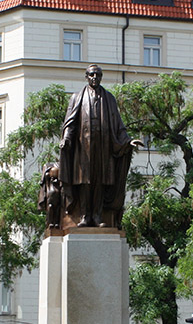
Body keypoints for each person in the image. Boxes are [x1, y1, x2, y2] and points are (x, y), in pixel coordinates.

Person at [59, 64, 141, 229]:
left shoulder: (109, 98)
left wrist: (127, 141)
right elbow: (70, 122)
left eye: (97, 75)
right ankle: (84, 216)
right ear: (86, 76)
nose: (94, 78)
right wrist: (66, 138)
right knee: (85, 182)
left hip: (103, 148)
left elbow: (118, 124)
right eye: (91, 75)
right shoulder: (77, 97)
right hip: (83, 149)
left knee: (99, 183)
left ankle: (97, 216)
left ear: (101, 77)